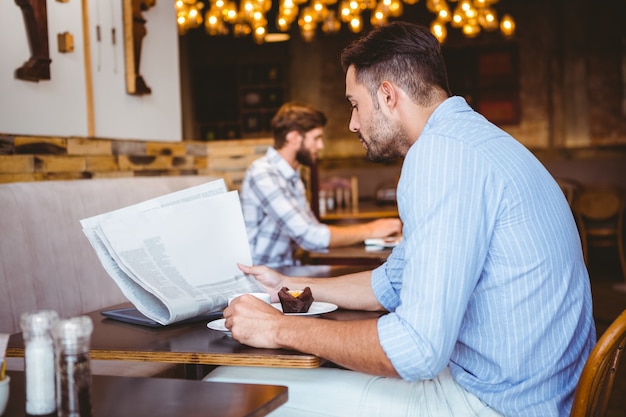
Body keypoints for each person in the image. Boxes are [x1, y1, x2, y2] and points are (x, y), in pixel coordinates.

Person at [207, 22, 596, 417]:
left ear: (388, 95)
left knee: (228, 385)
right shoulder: (475, 140)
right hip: (540, 390)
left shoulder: (438, 157)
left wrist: (275, 328)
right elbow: (390, 283)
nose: (352, 124)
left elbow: (416, 350)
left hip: (497, 404)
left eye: (354, 104)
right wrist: (292, 285)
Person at [240, 101, 402, 267]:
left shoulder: (291, 176)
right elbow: (310, 237)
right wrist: (372, 230)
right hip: (263, 278)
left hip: (286, 269)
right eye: (316, 138)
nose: (321, 146)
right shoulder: (263, 174)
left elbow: (312, 229)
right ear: (293, 137)